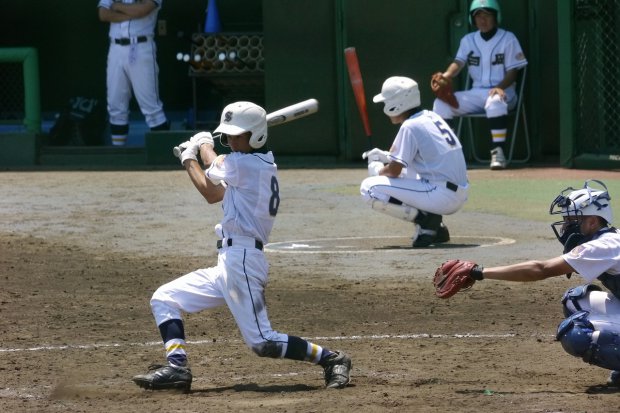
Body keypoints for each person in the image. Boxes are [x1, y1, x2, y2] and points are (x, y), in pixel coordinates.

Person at [132, 101, 352, 391]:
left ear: (256, 136)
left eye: (238, 136)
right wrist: (189, 159)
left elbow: (215, 162)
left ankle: (332, 359)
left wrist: (203, 145)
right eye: (229, 136)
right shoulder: (247, 168)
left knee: (262, 342)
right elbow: (212, 193)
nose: (232, 141)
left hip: (245, 261)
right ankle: (177, 368)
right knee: (165, 298)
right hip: (228, 260)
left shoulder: (249, 165)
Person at [442, 179, 620, 387]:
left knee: (577, 334)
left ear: (592, 222)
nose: (565, 227)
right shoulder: (610, 240)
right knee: (576, 301)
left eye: (571, 221)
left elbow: (540, 269)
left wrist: (479, 272)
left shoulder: (602, 246)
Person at [360, 76, 469, 248]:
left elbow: (394, 171)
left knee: (369, 188)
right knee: (407, 170)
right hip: (456, 192)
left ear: (397, 103)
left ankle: (426, 221)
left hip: (441, 194)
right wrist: (387, 156)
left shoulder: (409, 126)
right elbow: (420, 158)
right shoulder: (431, 117)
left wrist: (377, 169)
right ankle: (437, 228)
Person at [432, 0, 527, 170]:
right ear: (473, 20)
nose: (482, 20)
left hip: (505, 93)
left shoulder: (508, 38)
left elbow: (514, 71)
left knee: (495, 101)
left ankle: (498, 152)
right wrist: (446, 76)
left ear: (496, 17)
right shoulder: (468, 40)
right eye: (478, 16)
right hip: (476, 93)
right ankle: (449, 154)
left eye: (487, 16)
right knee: (440, 104)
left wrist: (501, 87)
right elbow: (458, 63)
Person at [98, 0, 170, 146]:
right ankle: (118, 155)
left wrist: (117, 7)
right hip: (115, 48)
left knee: (151, 107)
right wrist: (132, 12)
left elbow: (143, 10)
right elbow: (103, 14)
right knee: (115, 105)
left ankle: (164, 155)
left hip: (142, 47)